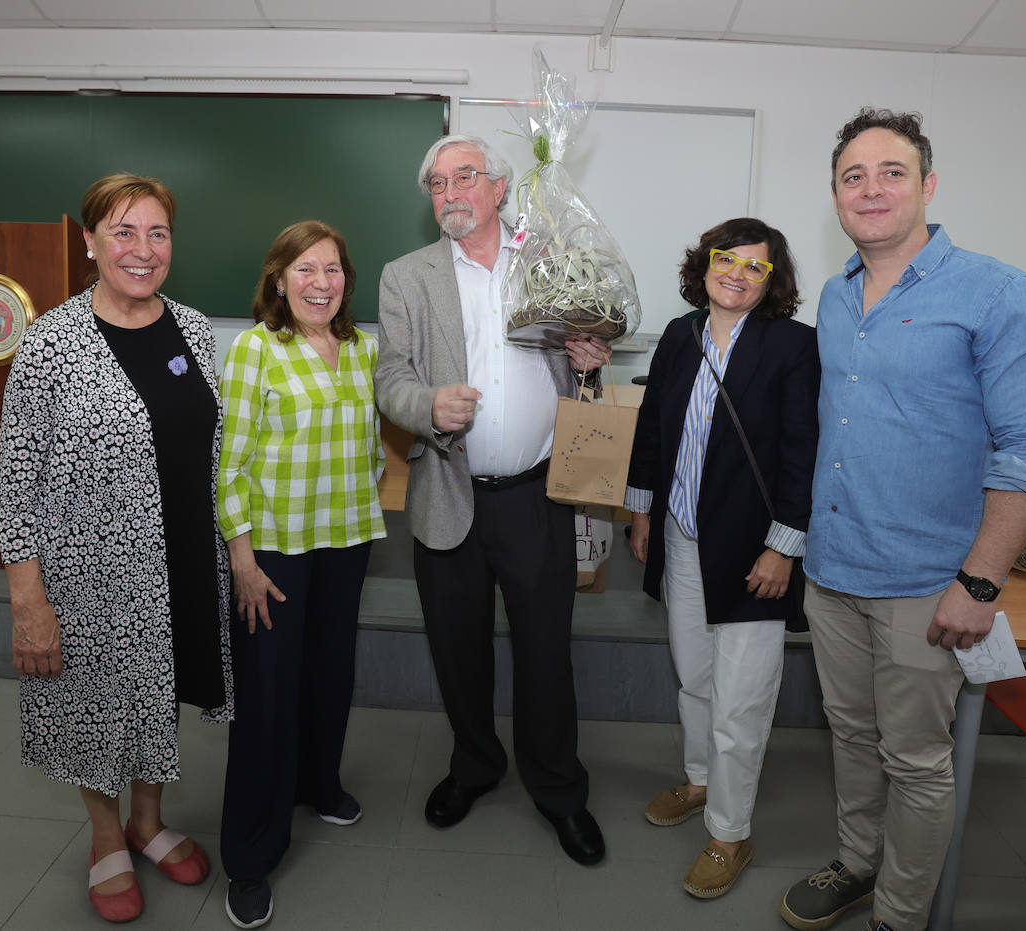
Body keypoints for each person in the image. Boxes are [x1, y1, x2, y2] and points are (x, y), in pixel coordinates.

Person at [778, 109, 1026, 931]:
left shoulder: (1000, 293)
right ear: (834, 194)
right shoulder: (835, 298)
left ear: (928, 185)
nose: (871, 190)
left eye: (892, 172)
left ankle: (898, 917)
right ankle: (857, 862)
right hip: (834, 570)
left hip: (928, 583)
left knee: (915, 760)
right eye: (853, 176)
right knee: (851, 737)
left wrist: (979, 582)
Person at [0, 172, 231, 924]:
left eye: (157, 232)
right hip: (86, 576)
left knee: (159, 694)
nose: (141, 248)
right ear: (90, 240)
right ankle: (106, 834)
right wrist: (28, 600)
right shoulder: (50, 344)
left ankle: (148, 820)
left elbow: (216, 446)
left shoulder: (194, 330)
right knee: (95, 705)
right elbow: (16, 479)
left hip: (184, 561)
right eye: (123, 231)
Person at [375, 133, 611, 866]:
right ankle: (475, 765)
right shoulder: (406, 276)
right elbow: (391, 379)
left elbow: (584, 374)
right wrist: (426, 405)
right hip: (448, 492)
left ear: (500, 188)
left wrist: (591, 357)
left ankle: (558, 787)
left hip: (539, 497)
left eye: (464, 176)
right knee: (459, 651)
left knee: (546, 654)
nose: (449, 192)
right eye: (437, 182)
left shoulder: (548, 262)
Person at [627, 218, 820, 899]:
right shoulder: (681, 335)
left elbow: (804, 453)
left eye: (755, 267)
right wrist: (642, 507)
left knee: (741, 698)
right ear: (704, 264)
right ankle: (701, 778)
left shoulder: (795, 346)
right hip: (681, 537)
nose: (736, 273)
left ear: (774, 280)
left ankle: (730, 830)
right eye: (725, 259)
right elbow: (652, 423)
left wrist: (782, 547)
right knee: (694, 675)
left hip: (752, 553)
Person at [216, 220, 386, 929]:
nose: (322, 282)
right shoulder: (256, 348)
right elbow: (228, 462)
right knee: (267, 695)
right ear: (279, 279)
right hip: (275, 550)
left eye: (334, 269)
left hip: (346, 539)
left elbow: (372, 446)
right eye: (306, 270)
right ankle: (250, 855)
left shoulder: (362, 349)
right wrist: (242, 557)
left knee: (328, 675)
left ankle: (319, 783)